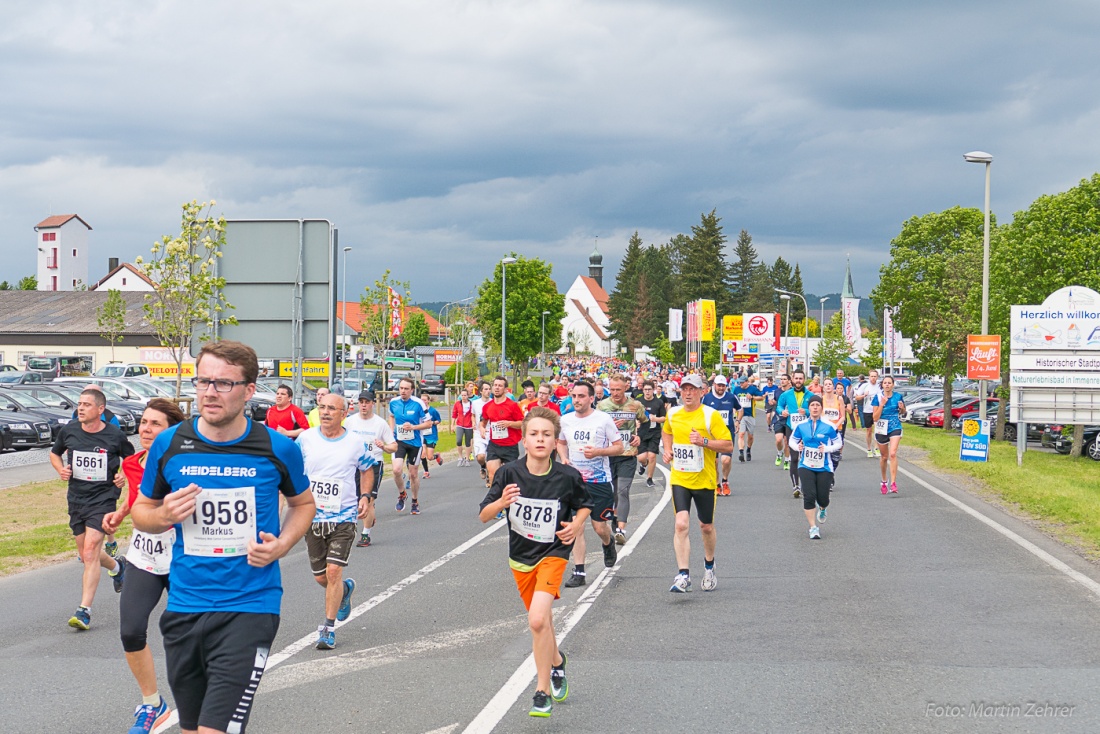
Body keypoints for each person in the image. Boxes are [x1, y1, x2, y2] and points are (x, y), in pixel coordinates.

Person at [131, 340, 315, 734]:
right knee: (191, 728)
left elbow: (303, 504)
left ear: (249, 390)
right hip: (184, 605)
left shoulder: (277, 448)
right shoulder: (170, 444)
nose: (210, 392)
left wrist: (282, 545)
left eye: (223, 383)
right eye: (203, 381)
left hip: (250, 605)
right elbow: (141, 512)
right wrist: (163, 514)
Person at [479, 407, 592, 718]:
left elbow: (585, 505)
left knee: (538, 621)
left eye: (546, 434)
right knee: (542, 623)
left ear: (556, 441)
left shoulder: (567, 476)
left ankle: (541, 691)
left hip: (554, 553)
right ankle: (556, 663)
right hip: (521, 558)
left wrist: (576, 524)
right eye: (534, 434)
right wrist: (501, 503)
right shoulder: (508, 474)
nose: (540, 439)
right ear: (524, 441)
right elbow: (483, 515)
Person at [102, 398, 186, 733]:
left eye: (156, 424)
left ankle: (207, 695)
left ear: (171, 432)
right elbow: (136, 496)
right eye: (145, 422)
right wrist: (120, 514)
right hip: (143, 555)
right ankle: (153, 704)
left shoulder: (182, 464)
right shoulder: (135, 462)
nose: (146, 429)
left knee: (188, 634)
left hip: (181, 556)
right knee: (131, 630)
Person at [297, 392, 377, 649]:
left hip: (343, 517)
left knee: (333, 571)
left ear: (344, 414)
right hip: (312, 517)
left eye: (332, 408)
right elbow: (291, 470)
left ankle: (328, 629)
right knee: (321, 578)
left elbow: (367, 468)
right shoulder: (305, 439)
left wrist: (365, 496)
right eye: (322, 407)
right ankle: (344, 590)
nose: (326, 412)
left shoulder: (354, 442)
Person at [50, 387, 134, 630]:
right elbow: (55, 454)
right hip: (77, 498)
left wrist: (122, 476)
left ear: (100, 409)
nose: (81, 408)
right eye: (79, 404)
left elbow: (130, 460)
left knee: (89, 551)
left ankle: (84, 610)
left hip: (104, 498)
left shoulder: (114, 435)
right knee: (90, 555)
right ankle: (118, 567)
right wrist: (60, 470)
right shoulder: (70, 430)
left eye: (86, 404)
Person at [661, 373, 733, 592]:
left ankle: (709, 566)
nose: (688, 393)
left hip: (705, 479)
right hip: (680, 477)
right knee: (681, 523)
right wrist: (668, 449)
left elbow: (728, 445)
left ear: (702, 392)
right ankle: (683, 575)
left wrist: (704, 442)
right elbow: (667, 433)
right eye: (684, 389)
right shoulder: (673, 413)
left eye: (693, 389)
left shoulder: (710, 416)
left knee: (706, 526)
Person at [558, 381, 623, 588]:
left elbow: (619, 447)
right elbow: (560, 442)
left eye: (581, 396)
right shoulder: (565, 420)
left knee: (599, 527)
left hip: (599, 481)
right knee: (577, 526)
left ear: (591, 398)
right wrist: (563, 458)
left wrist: (598, 452)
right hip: (575, 482)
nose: (577, 400)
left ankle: (608, 542)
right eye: (574, 396)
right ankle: (579, 571)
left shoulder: (603, 420)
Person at [597, 374, 646, 544]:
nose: (615, 393)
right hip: (608, 457)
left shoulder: (635, 405)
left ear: (626, 387)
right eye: (611, 389)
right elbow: (595, 429)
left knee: (623, 491)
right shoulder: (602, 406)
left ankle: (621, 530)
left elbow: (646, 423)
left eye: (618, 389)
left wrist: (640, 439)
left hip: (627, 455)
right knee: (612, 494)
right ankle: (614, 518)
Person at [344, 390, 396, 548]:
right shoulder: (349, 422)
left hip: (373, 464)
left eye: (367, 402)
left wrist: (384, 446)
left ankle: (365, 534)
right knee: (353, 500)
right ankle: (365, 518)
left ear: (372, 403)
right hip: (353, 465)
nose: (364, 405)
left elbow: (394, 446)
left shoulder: (380, 423)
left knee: (368, 500)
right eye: (361, 402)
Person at [788, 395, 843, 539]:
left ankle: (823, 508)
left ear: (821, 408)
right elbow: (792, 441)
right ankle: (813, 527)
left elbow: (838, 443)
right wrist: (798, 446)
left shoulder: (829, 426)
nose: (815, 408)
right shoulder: (801, 426)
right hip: (805, 465)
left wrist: (827, 449)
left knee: (823, 498)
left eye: (817, 405)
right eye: (812, 405)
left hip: (824, 466)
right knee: (809, 495)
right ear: (809, 408)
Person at [389, 377, 432, 516]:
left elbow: (428, 423)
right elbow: (391, 416)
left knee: (413, 474)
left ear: (412, 390)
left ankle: (414, 501)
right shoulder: (393, 402)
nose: (403, 391)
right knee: (396, 470)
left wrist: (413, 427)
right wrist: (391, 431)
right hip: (399, 441)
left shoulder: (419, 404)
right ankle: (402, 494)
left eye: (406, 389)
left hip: (415, 443)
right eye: (401, 388)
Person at [481, 376, 525, 490]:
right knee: (492, 474)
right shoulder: (487, 406)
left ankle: (509, 502)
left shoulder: (513, 405)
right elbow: (483, 421)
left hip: (510, 446)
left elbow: (523, 423)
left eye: (500, 386)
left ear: (505, 389)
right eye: (495, 385)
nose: (497, 388)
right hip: (494, 445)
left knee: (510, 478)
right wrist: (481, 429)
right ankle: (496, 501)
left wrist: (509, 424)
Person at [700, 374, 742, 496]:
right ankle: (717, 484)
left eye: (723, 386)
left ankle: (725, 480)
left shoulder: (731, 397)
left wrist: (738, 421)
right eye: (719, 385)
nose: (721, 388)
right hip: (711, 435)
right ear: (714, 385)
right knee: (714, 461)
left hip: (726, 434)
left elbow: (740, 409)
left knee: (726, 460)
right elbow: (701, 413)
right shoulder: (707, 398)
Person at [776, 369, 811, 497]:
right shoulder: (786, 394)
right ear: (792, 379)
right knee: (795, 457)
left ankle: (808, 483)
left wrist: (806, 412)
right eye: (796, 378)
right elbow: (779, 406)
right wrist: (782, 412)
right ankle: (796, 485)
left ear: (804, 379)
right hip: (792, 428)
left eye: (800, 378)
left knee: (807, 457)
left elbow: (818, 408)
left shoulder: (810, 394)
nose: (798, 381)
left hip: (807, 429)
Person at [872, 375, 907, 494]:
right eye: (885, 383)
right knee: (884, 457)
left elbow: (903, 412)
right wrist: (882, 404)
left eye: (889, 383)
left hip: (895, 426)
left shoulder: (898, 396)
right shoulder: (877, 397)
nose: (887, 385)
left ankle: (893, 483)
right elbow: (875, 418)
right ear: (882, 385)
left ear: (893, 384)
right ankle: (883, 480)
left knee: (892, 454)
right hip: (882, 428)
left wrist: (902, 408)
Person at [634, 380, 666, 489]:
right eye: (645, 389)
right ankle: (643, 464)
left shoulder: (658, 402)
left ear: (653, 390)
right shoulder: (638, 401)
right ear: (643, 390)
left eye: (649, 389)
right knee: (641, 457)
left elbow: (664, 418)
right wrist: (636, 422)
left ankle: (649, 478)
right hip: (641, 432)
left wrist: (655, 419)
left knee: (652, 456)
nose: (647, 392)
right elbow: (632, 416)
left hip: (654, 432)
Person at [820, 379, 848, 485]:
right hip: (824, 431)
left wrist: (835, 426)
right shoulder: (820, 400)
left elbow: (843, 416)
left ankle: (831, 474)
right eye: (826, 384)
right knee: (825, 454)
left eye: (830, 384)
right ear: (824, 387)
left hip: (836, 430)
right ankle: (827, 478)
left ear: (833, 387)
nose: (828, 386)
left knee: (835, 457)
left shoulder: (839, 399)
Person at [732, 374, 762, 463]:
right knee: (741, 434)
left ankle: (748, 449)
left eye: (742, 382)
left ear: (746, 382)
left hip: (750, 415)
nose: (740, 384)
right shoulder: (737, 389)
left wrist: (752, 397)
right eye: (739, 382)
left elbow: (761, 397)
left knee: (750, 436)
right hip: (741, 416)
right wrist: (734, 411)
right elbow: (733, 400)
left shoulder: (752, 389)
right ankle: (741, 452)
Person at [854, 369, 883, 458]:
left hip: (877, 410)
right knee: (869, 430)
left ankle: (876, 448)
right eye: (871, 376)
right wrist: (864, 395)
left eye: (875, 376)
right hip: (867, 410)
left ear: (877, 377)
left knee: (878, 429)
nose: (873, 378)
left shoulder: (880, 386)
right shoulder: (865, 386)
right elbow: (857, 397)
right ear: (869, 377)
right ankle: (869, 448)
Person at [471, 381, 492, 486]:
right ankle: (483, 467)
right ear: (481, 391)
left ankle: (489, 477)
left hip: (491, 432)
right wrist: (473, 422)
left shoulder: (493, 402)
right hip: (479, 433)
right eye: (486, 389)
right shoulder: (475, 403)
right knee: (480, 457)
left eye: (489, 389)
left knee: (490, 458)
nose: (488, 391)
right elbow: (473, 415)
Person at [769, 374, 790, 468]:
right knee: (778, 440)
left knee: (787, 442)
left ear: (789, 381)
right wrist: (772, 402)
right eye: (781, 379)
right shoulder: (777, 391)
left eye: (784, 379)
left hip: (789, 420)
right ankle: (779, 453)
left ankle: (786, 460)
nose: (782, 381)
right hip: (778, 419)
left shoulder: (792, 392)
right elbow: (775, 401)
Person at [419, 397, 443, 477]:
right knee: (422, 454)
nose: (423, 401)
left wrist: (431, 422)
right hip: (422, 435)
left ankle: (436, 456)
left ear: (428, 401)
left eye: (425, 400)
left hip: (431, 436)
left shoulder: (433, 410)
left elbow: (439, 420)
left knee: (429, 457)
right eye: (422, 400)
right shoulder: (419, 410)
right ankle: (426, 472)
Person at [451, 388, 475, 467]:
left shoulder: (472, 404)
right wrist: (452, 425)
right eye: (462, 395)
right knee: (458, 440)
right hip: (460, 424)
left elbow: (473, 415)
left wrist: (474, 424)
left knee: (468, 442)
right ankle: (460, 457)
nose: (463, 397)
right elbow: (454, 415)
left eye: (465, 395)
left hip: (469, 425)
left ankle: (467, 458)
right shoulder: (457, 404)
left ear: (468, 396)